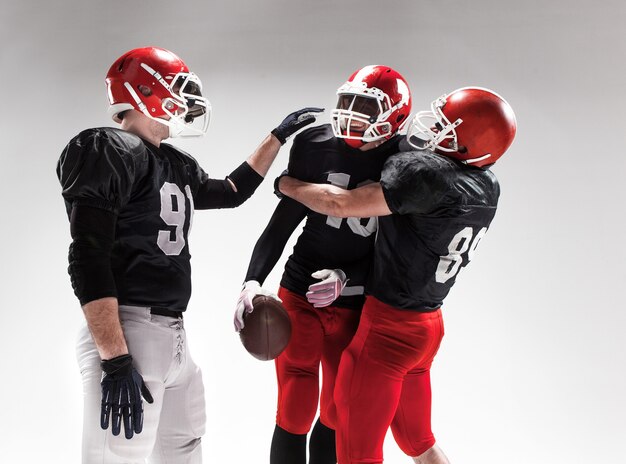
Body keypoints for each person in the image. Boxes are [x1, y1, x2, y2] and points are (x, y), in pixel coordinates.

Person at [56, 46, 322, 464]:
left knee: (184, 451)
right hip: (128, 329)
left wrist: (276, 138)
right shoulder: (107, 148)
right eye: (177, 89)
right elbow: (88, 257)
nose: (185, 102)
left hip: (172, 335)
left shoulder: (171, 162)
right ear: (145, 91)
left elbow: (232, 192)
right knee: (117, 457)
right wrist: (115, 358)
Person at [276, 87, 517, 464]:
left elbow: (339, 203)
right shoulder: (489, 185)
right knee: (419, 442)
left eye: (447, 126)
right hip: (428, 327)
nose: (435, 127)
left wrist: (285, 184)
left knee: (359, 453)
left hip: (386, 331)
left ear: (471, 142)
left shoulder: (426, 175)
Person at [233, 65, 412, 464]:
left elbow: (400, 252)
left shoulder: (406, 163)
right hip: (300, 291)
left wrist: (350, 276)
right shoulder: (316, 143)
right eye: (347, 101)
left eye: (364, 106)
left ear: (395, 116)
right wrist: (252, 280)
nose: (350, 113)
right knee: (295, 407)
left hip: (357, 303)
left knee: (335, 411)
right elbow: (282, 223)